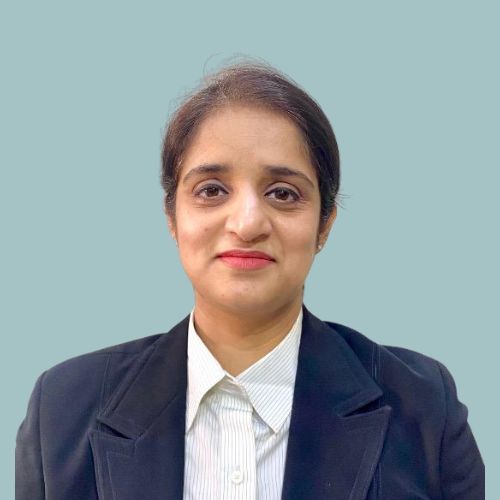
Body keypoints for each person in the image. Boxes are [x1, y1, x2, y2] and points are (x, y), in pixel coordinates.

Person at [16, 60, 484, 500]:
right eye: (211, 190)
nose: (247, 223)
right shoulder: (62, 409)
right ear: (172, 217)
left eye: (283, 193)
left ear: (324, 224)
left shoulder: (423, 407)